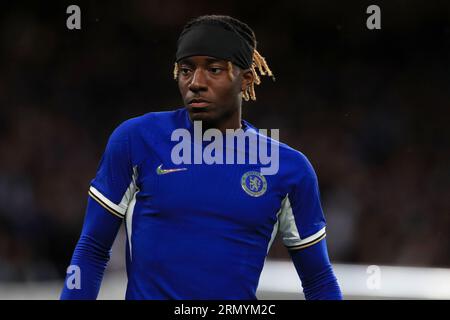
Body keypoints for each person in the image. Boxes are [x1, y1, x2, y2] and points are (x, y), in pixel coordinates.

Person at [60, 14, 343, 300]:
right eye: (186, 70)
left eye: (214, 69)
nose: (196, 82)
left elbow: (318, 280)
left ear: (245, 80)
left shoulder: (288, 168)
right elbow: (93, 248)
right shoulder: (137, 139)